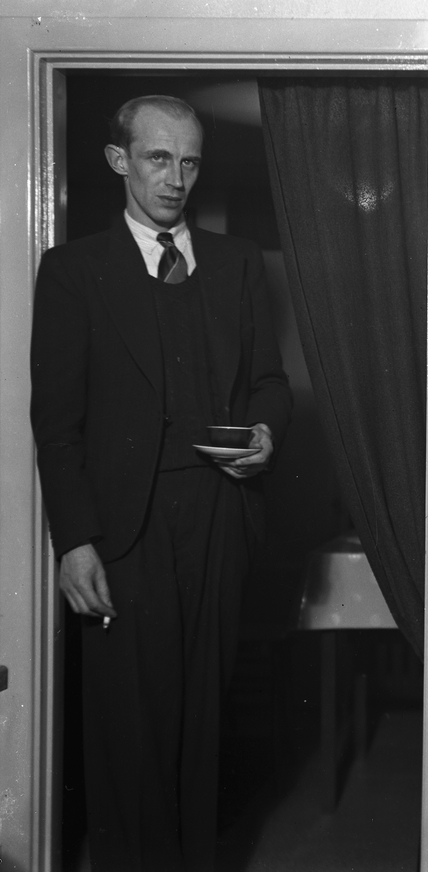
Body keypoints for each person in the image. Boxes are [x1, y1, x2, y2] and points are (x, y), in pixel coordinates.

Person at [29, 95, 292, 872]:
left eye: (189, 161)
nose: (175, 178)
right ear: (120, 161)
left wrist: (266, 433)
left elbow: (270, 383)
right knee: (127, 729)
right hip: (123, 532)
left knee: (204, 720)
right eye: (157, 158)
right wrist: (75, 542)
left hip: (217, 519)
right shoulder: (73, 272)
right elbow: (57, 425)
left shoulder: (237, 264)